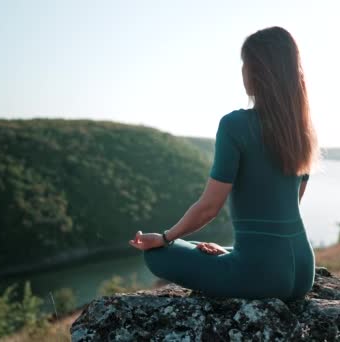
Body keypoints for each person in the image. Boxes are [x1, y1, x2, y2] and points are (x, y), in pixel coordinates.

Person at [128, 26, 319, 301]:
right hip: (303, 270)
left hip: (261, 276)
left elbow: (208, 208)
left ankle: (227, 254)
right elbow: (291, 204)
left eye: (245, 64)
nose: (242, 71)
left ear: (257, 71)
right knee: (196, 246)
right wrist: (236, 250)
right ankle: (233, 252)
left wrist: (164, 238)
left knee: (157, 255)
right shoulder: (303, 129)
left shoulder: (235, 125)